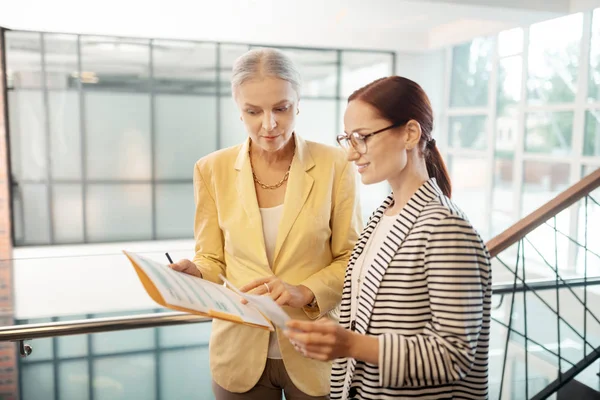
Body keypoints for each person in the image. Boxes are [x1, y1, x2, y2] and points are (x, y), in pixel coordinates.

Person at [169, 48, 362, 400]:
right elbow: (212, 258)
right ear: (238, 109)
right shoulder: (211, 169)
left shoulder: (336, 164)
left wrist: (303, 291)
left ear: (298, 103)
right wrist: (194, 273)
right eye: (253, 111)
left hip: (314, 351)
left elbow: (352, 257)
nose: (269, 124)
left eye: (281, 108)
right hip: (238, 353)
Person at [285, 76, 492, 400]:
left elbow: (455, 355)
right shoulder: (382, 217)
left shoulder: (446, 229)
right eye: (348, 139)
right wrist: (335, 338)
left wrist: (350, 344)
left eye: (362, 138)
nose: (352, 154)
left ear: (410, 133)